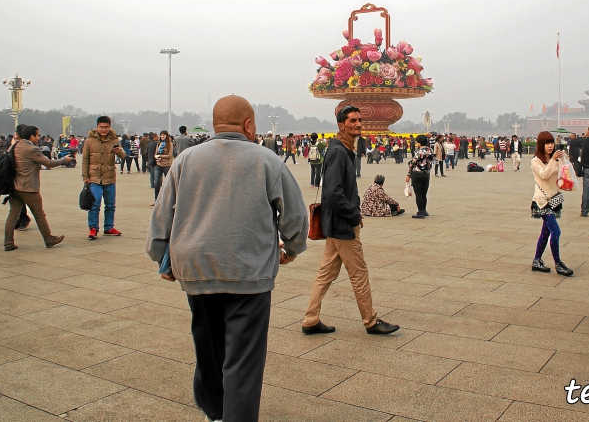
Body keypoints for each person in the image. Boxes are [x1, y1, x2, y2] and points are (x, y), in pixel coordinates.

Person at [147, 95, 308, 422]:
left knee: (208, 345)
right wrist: (290, 248)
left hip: (196, 268)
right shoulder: (268, 161)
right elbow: (295, 218)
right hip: (248, 273)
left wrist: (161, 256)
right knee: (243, 359)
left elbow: (162, 215)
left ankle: (215, 411)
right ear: (248, 125)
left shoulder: (186, 160)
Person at [302, 105, 399, 336]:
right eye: (352, 121)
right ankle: (371, 321)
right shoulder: (338, 152)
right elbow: (334, 192)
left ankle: (311, 319)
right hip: (342, 225)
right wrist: (354, 214)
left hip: (335, 224)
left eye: (359, 120)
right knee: (359, 273)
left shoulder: (343, 149)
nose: (357, 124)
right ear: (341, 125)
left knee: (326, 273)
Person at [4, 125, 70, 251]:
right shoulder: (31, 149)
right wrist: (64, 160)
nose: (39, 138)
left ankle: (8, 243)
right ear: (32, 136)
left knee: (12, 216)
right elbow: (48, 163)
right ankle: (49, 239)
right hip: (28, 188)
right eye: (38, 135)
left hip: (14, 186)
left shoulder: (15, 146)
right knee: (39, 214)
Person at [530, 131, 573, 276]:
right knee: (556, 231)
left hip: (554, 198)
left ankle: (537, 260)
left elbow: (562, 173)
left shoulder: (555, 158)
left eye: (551, 143)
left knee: (546, 231)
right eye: (547, 143)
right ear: (541, 145)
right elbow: (544, 175)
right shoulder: (535, 161)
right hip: (542, 200)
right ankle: (558, 263)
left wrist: (564, 160)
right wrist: (554, 160)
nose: (550, 146)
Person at [82, 116, 125, 240]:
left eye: (106, 127)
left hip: (109, 176)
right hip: (94, 177)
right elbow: (85, 160)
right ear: (97, 127)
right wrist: (85, 176)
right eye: (101, 127)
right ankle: (93, 228)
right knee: (94, 204)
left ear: (110, 127)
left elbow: (123, 155)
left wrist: (119, 152)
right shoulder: (89, 141)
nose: (103, 130)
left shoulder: (114, 140)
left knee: (110, 204)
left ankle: (109, 227)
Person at [406, 135, 433, 219]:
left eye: (417, 142)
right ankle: (424, 210)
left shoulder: (418, 151)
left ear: (419, 142)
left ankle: (420, 212)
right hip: (426, 174)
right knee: (424, 194)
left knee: (418, 194)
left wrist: (408, 174)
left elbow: (413, 163)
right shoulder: (430, 150)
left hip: (417, 174)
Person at [153, 131, 174, 202]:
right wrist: (156, 157)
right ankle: (156, 199)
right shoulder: (159, 143)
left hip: (166, 165)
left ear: (166, 136)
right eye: (161, 135)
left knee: (169, 182)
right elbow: (156, 153)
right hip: (158, 164)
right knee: (157, 183)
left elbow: (169, 155)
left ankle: (170, 199)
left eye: (164, 135)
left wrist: (161, 156)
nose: (162, 137)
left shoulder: (170, 144)